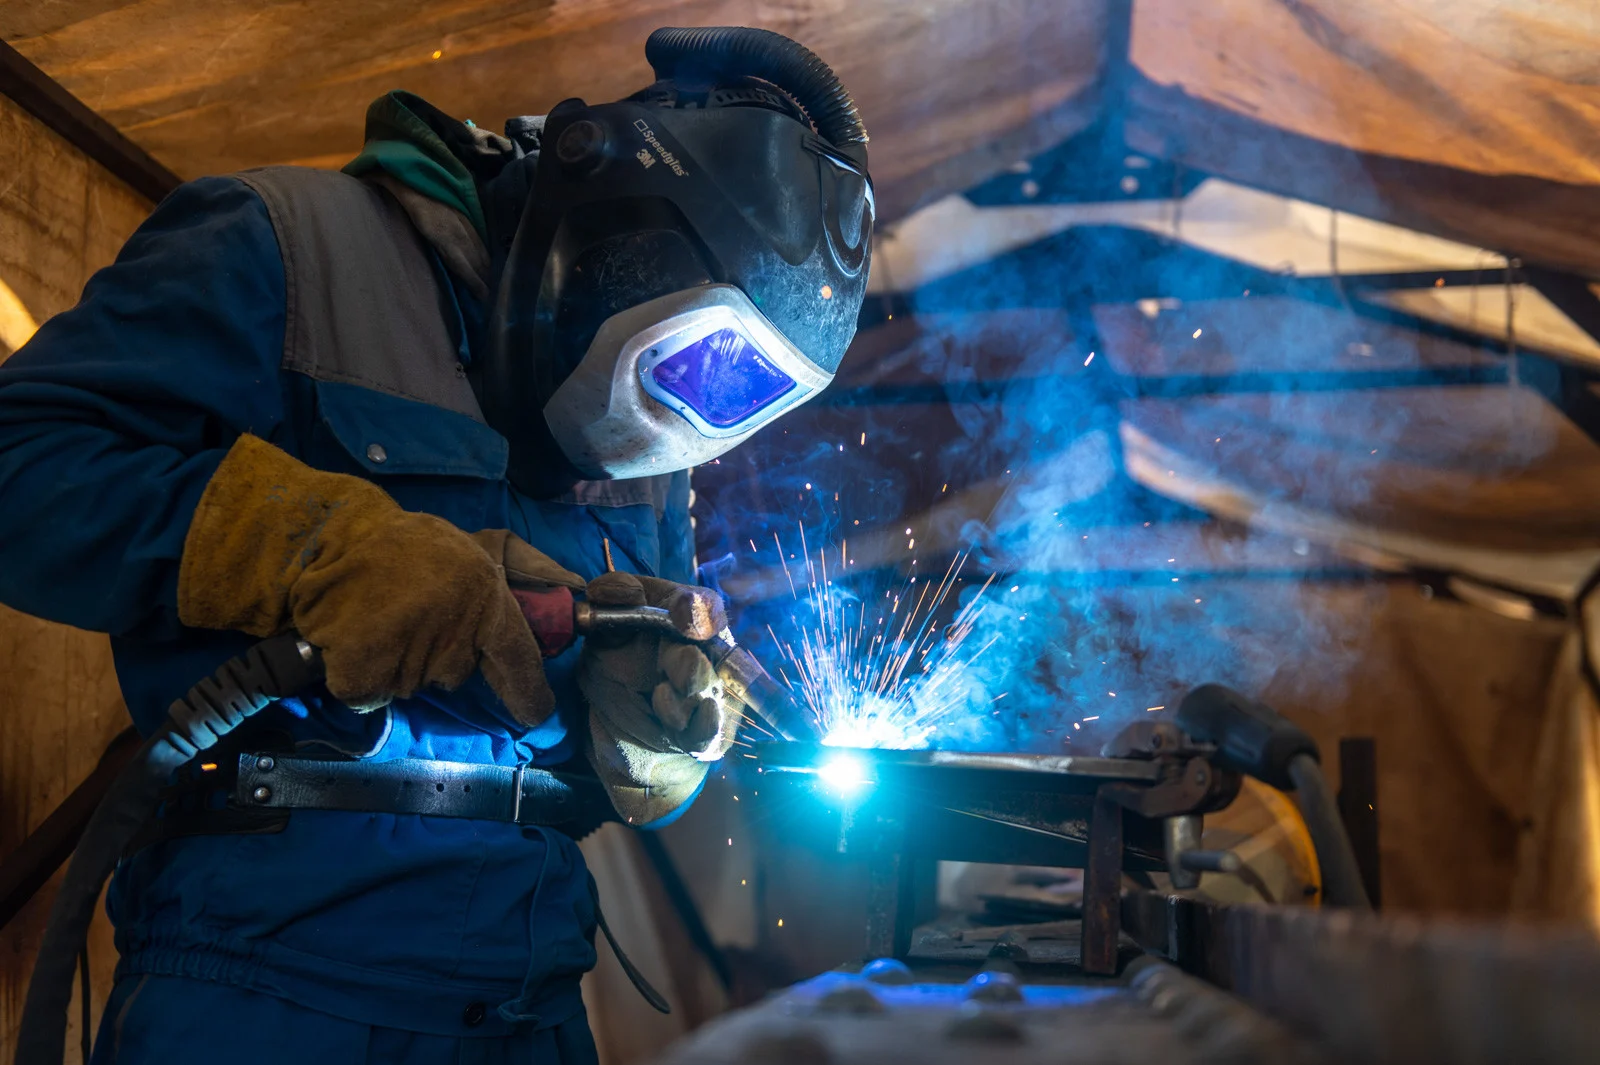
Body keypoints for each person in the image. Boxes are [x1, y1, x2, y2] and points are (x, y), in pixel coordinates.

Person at [0, 26, 872, 1064]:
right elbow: (27, 466)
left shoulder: (661, 423)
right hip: (267, 985)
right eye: (690, 361)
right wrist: (314, 546)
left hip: (530, 994)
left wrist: (635, 717)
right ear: (602, 244)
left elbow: (592, 703)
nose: (669, 423)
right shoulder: (285, 245)